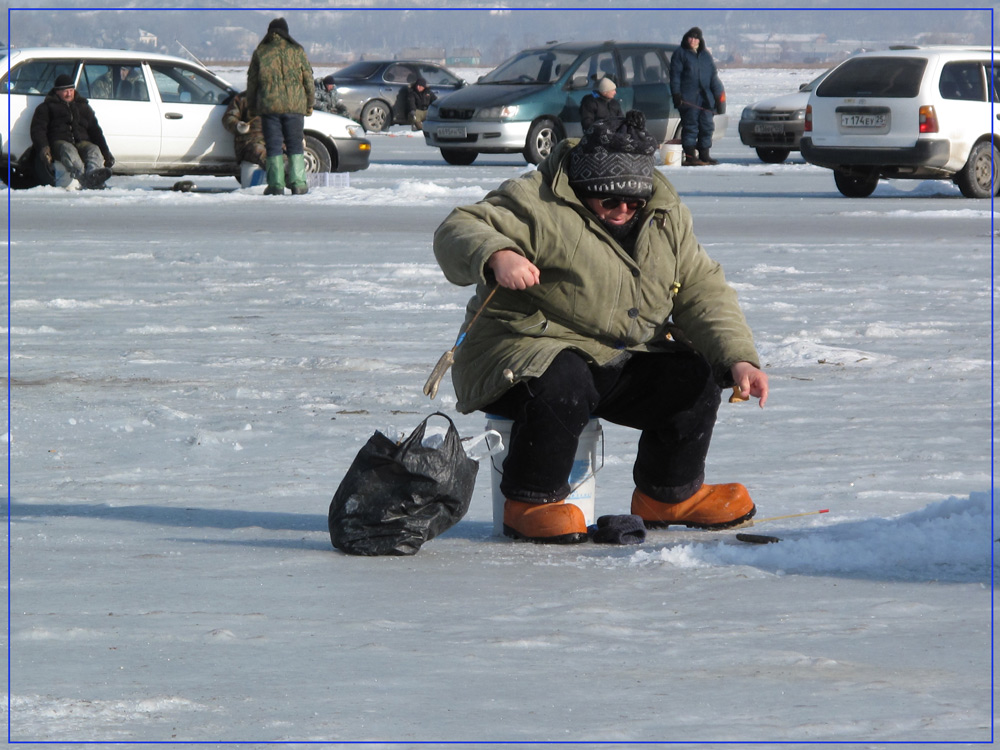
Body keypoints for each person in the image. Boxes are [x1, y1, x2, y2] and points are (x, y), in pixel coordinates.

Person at [433, 111, 768, 544]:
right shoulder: (535, 201)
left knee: (695, 374)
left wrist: (739, 358)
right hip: (520, 350)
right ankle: (529, 501)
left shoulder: (665, 214)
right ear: (585, 189)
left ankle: (668, 495)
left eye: (633, 202)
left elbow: (702, 290)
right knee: (564, 378)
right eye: (609, 201)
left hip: (616, 354)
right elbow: (457, 228)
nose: (623, 210)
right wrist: (497, 254)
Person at [246, 17, 314, 195]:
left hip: (270, 107)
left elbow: (252, 83)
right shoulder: (297, 51)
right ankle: (299, 183)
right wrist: (309, 104)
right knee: (295, 145)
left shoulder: (261, 52)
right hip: (295, 106)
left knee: (274, 145)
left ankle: (276, 185)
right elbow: (308, 80)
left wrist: (252, 107)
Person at [29, 74, 115, 190]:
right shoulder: (46, 107)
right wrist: (43, 148)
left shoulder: (83, 106)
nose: (69, 94)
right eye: (65, 91)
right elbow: (38, 130)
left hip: (81, 141)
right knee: (69, 150)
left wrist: (106, 152)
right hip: (59, 143)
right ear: (57, 92)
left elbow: (95, 131)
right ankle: (82, 176)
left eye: (71, 90)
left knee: (93, 149)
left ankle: (94, 175)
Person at [669, 27, 726, 166]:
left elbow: (713, 78)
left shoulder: (706, 56)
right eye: (690, 38)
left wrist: (718, 98)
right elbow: (675, 76)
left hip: (706, 99)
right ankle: (690, 156)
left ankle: (704, 155)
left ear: (700, 40)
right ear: (686, 38)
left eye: (696, 38)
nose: (693, 41)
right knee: (691, 127)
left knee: (707, 127)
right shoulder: (680, 54)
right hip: (688, 98)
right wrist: (676, 94)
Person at [222, 90, 267, 168]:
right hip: (250, 142)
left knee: (289, 155)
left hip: (275, 141)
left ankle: (288, 176)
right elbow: (229, 118)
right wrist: (238, 125)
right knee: (263, 154)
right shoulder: (242, 98)